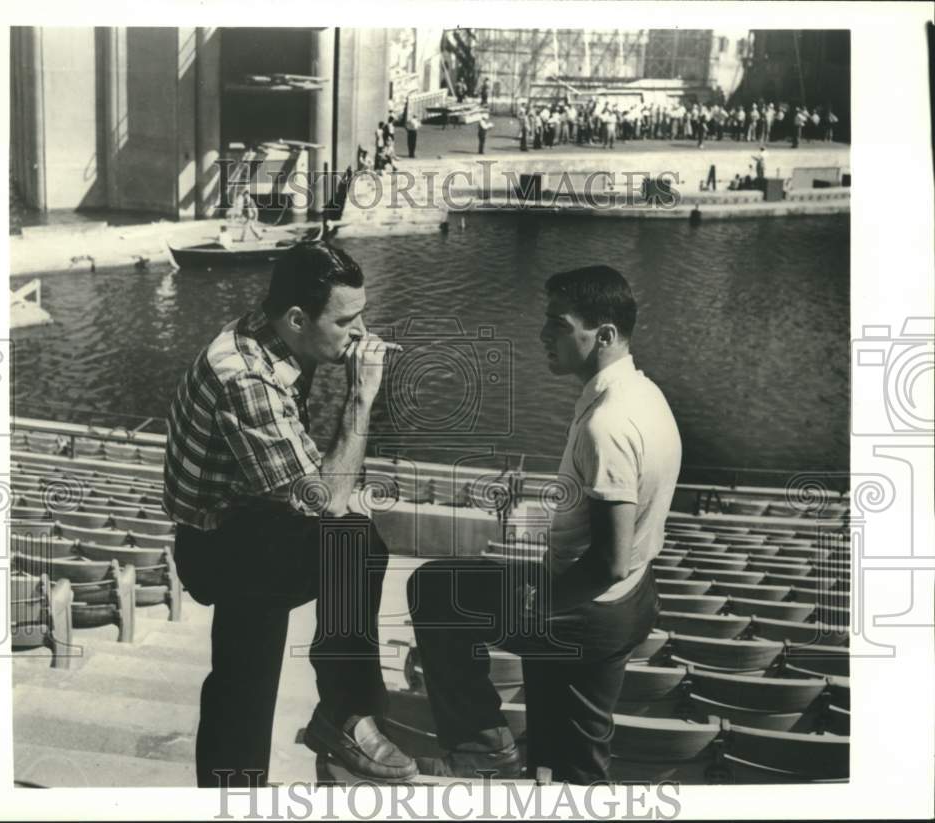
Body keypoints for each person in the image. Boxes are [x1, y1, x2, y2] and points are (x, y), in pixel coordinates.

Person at [408, 266, 682, 784]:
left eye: (557, 325)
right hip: (631, 598)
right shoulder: (644, 394)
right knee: (570, 761)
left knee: (434, 591)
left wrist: (538, 604)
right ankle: (514, 763)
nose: (541, 335)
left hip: (587, 608)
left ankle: (481, 752)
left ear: (603, 336)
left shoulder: (609, 425)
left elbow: (608, 559)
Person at [165, 242, 418, 788]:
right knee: (355, 541)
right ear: (299, 317)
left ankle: (234, 788)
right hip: (219, 545)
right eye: (347, 320)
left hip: (244, 514)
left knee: (242, 677)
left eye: (363, 315)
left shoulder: (270, 331)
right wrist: (360, 398)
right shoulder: (248, 379)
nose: (361, 332)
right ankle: (343, 714)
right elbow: (326, 498)